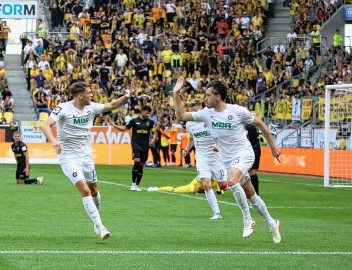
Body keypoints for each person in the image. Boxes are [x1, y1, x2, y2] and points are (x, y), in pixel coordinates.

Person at [173, 76, 282, 243]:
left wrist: (273, 147)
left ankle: (247, 219)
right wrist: (175, 93)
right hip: (228, 159)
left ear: (218, 96)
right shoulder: (206, 114)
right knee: (251, 194)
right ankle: (272, 223)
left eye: (208, 95)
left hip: (245, 153)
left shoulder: (237, 111)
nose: (205, 98)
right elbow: (181, 115)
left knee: (231, 181)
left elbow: (261, 124)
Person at [42, 81, 134, 240]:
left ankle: (96, 219)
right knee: (84, 190)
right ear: (80, 95)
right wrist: (53, 140)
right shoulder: (63, 108)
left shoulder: (91, 107)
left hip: (86, 156)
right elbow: (46, 125)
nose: (92, 94)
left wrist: (128, 95)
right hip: (68, 156)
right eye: (89, 92)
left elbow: (112, 105)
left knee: (94, 191)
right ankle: (101, 227)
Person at [183, 99, 228, 220]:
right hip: (201, 156)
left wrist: (219, 146)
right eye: (190, 107)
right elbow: (191, 139)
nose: (191, 109)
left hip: (215, 155)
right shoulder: (189, 124)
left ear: (199, 106)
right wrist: (187, 150)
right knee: (206, 184)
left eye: (193, 106)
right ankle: (217, 213)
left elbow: (221, 132)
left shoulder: (209, 117)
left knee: (223, 185)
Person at [111, 105, 154, 191]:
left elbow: (153, 131)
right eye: (147, 112)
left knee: (141, 165)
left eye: (149, 113)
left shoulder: (151, 122)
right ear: (142, 111)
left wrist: (153, 139)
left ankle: (137, 185)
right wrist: (115, 125)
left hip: (145, 146)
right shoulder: (134, 121)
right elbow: (124, 128)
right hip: (136, 145)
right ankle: (133, 184)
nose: (148, 114)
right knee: (137, 161)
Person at [148, 176, 222, 194]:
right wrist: (192, 191)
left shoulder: (215, 181)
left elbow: (220, 188)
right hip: (188, 188)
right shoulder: (201, 177)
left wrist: (220, 191)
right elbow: (192, 184)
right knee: (175, 190)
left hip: (199, 191)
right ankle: (157, 188)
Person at [246, 124, 261, 195]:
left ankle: (255, 193)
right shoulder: (252, 124)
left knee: (252, 171)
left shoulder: (248, 126)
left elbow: (246, 138)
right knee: (250, 171)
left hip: (252, 149)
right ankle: (252, 192)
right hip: (255, 148)